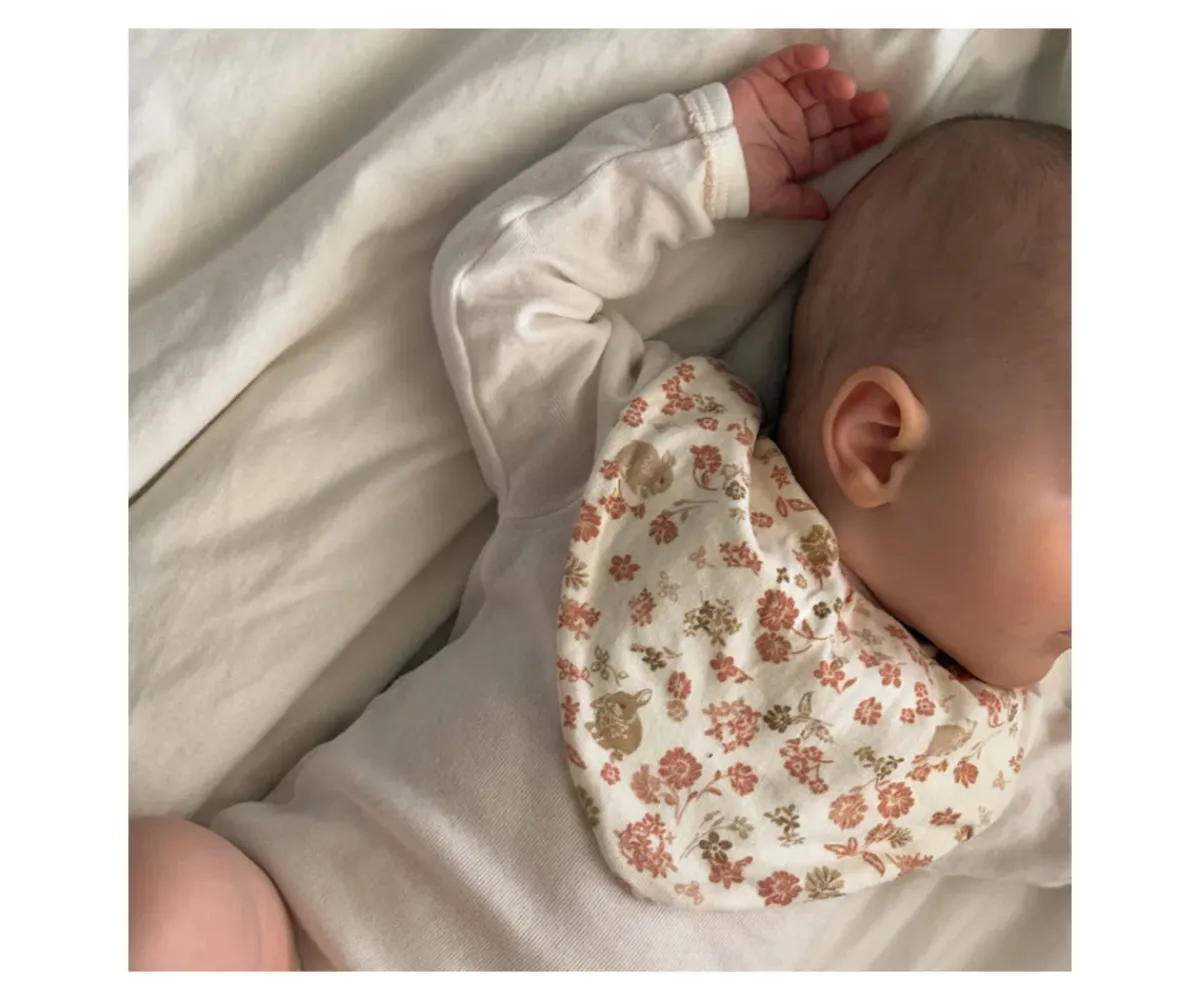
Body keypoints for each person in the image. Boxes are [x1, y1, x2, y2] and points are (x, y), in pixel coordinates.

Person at [130, 43, 1069, 971]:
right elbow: (502, 287)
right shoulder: (654, 464)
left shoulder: (996, 762)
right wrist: (699, 164)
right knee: (175, 895)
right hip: (300, 943)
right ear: (877, 440)